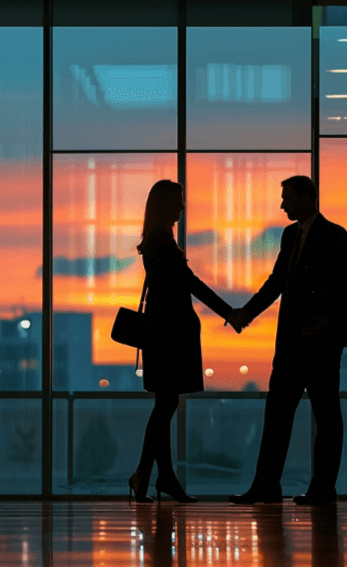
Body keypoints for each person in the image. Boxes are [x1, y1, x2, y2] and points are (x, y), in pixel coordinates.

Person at [227, 175, 347, 506]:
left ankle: (322, 488)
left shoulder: (334, 235)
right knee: (277, 416)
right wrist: (247, 313)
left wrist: (330, 320)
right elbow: (277, 282)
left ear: (306, 198)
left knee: (326, 417)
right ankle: (267, 486)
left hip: (321, 344)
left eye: (287, 198)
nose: (282, 204)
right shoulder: (290, 236)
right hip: (290, 344)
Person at [129, 179, 240, 503]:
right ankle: (147, 476)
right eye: (178, 200)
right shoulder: (162, 242)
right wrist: (228, 312)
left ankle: (158, 477)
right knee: (165, 406)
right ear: (167, 205)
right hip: (170, 334)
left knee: (164, 405)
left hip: (164, 333)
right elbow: (190, 283)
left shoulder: (156, 240)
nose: (183, 206)